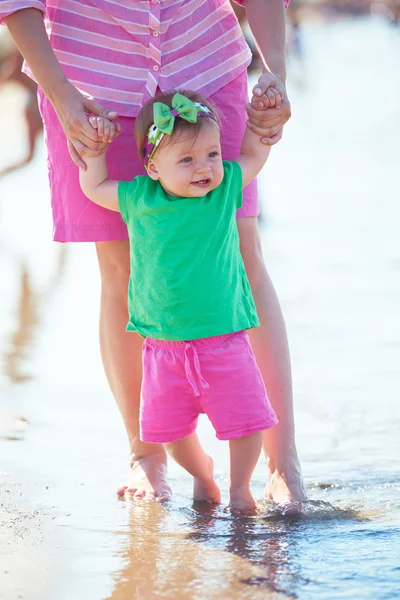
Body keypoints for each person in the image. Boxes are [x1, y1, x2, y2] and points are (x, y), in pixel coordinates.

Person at [1, 0, 306, 504]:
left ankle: (282, 462)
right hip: (88, 90)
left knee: (242, 256)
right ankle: (146, 454)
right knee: (120, 271)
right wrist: (60, 94)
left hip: (206, 65)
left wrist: (275, 73)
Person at [80, 90, 279, 513]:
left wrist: (263, 122)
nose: (204, 167)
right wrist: (96, 151)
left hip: (224, 339)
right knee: (169, 432)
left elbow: (254, 158)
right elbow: (94, 186)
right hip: (162, 347)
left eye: (210, 153)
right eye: (185, 160)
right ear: (152, 167)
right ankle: (203, 474)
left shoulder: (222, 192)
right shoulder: (138, 198)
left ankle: (241, 487)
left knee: (245, 423)